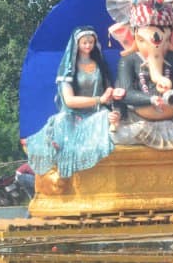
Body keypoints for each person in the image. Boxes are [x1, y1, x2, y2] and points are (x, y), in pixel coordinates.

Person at [23, 26, 121, 179]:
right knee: (62, 124)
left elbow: (107, 90)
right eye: (84, 43)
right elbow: (69, 101)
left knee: (109, 118)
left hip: (97, 113)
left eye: (91, 42)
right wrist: (98, 99)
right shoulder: (68, 70)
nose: (88, 46)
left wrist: (109, 93)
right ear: (77, 44)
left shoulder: (100, 66)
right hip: (73, 116)